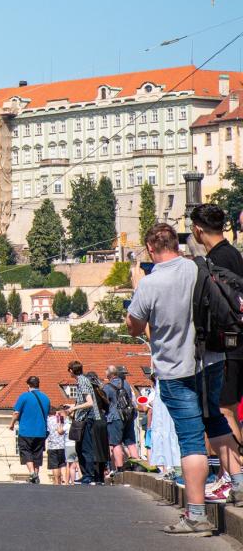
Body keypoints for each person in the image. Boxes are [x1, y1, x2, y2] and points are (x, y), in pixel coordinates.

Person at [127, 222, 240, 535]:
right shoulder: (198, 269)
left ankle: (196, 514)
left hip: (175, 369)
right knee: (216, 421)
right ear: (176, 245)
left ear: (150, 248)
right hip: (211, 361)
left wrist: (137, 287)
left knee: (191, 440)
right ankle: (240, 484)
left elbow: (134, 327)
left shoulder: (150, 283)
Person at [191, 204, 243, 455]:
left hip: (228, 345)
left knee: (223, 410)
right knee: (229, 410)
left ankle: (234, 471)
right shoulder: (233, 254)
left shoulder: (215, 260)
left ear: (198, 230)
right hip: (237, 343)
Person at [62, 360, 108, 485]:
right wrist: (72, 405)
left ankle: (88, 475)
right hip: (87, 417)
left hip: (88, 418)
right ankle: (86, 474)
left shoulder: (82, 381)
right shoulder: (83, 380)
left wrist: (74, 408)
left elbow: (89, 402)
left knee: (85, 447)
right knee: (80, 447)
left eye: (69, 370)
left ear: (71, 370)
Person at [9, 375, 50, 484]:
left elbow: (16, 413)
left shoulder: (24, 396)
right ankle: (35, 475)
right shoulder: (46, 398)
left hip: (26, 431)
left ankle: (32, 473)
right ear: (38, 385)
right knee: (37, 453)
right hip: (41, 431)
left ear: (28, 385)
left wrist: (12, 424)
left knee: (26, 451)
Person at [103, 365, 139, 472]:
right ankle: (137, 466)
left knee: (116, 443)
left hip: (115, 417)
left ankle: (119, 468)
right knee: (131, 443)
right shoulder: (126, 384)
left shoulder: (107, 387)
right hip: (128, 416)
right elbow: (131, 398)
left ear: (109, 375)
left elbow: (104, 403)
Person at [46, 410, 70, 485]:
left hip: (52, 446)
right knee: (62, 464)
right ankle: (65, 481)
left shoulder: (48, 420)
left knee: (54, 465)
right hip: (62, 445)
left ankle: (57, 482)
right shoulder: (61, 418)